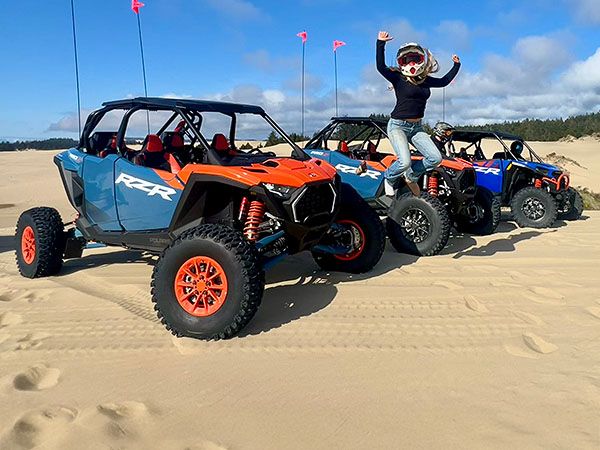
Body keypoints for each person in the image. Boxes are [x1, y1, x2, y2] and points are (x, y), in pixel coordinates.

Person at [376, 31, 461, 195]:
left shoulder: (426, 80)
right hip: (397, 126)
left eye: (415, 58)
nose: (411, 63)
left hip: (417, 128)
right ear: (401, 62)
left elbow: (444, 81)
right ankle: (389, 177)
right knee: (404, 161)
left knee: (435, 158)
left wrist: (456, 66)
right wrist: (380, 43)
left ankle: (411, 176)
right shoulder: (397, 78)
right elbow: (381, 67)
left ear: (422, 59)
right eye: (407, 60)